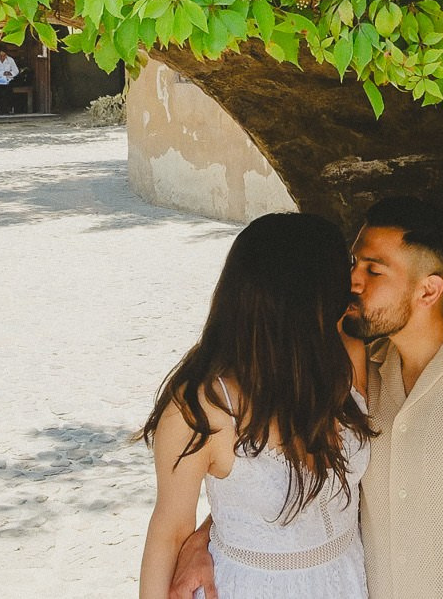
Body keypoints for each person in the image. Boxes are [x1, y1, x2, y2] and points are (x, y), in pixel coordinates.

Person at [169, 196, 443, 599]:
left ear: (428, 291)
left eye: (374, 271)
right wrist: (202, 538)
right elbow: (278, 476)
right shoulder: (356, 374)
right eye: (354, 263)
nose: (351, 281)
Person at [140, 212, 374, 599]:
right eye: (343, 268)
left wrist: (207, 533)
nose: (351, 282)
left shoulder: (347, 357)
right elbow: (169, 530)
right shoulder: (203, 405)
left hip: (345, 581)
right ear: (307, 295)